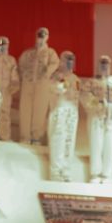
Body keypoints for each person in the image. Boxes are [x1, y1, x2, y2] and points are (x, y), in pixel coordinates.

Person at [81, 55, 112, 184]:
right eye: (102, 63)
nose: (104, 66)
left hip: (111, 112)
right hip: (97, 111)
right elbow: (84, 95)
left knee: (110, 143)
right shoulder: (92, 81)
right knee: (96, 142)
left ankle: (107, 173)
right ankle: (95, 173)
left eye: (107, 64)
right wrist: (95, 103)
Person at [17, 27, 59, 145]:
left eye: (44, 35)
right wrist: (24, 75)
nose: (41, 37)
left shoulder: (50, 52)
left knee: (40, 110)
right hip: (28, 84)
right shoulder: (28, 53)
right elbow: (21, 64)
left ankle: (36, 137)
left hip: (42, 84)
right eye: (40, 35)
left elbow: (55, 63)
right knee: (25, 109)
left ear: (47, 37)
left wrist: (47, 72)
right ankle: (24, 137)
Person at [47, 51, 80, 182]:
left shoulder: (76, 79)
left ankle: (66, 170)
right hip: (59, 110)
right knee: (58, 140)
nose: (69, 62)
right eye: (67, 59)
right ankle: (56, 171)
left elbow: (77, 96)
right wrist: (62, 85)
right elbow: (55, 89)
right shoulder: (56, 76)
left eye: (72, 59)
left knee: (69, 141)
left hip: (72, 112)